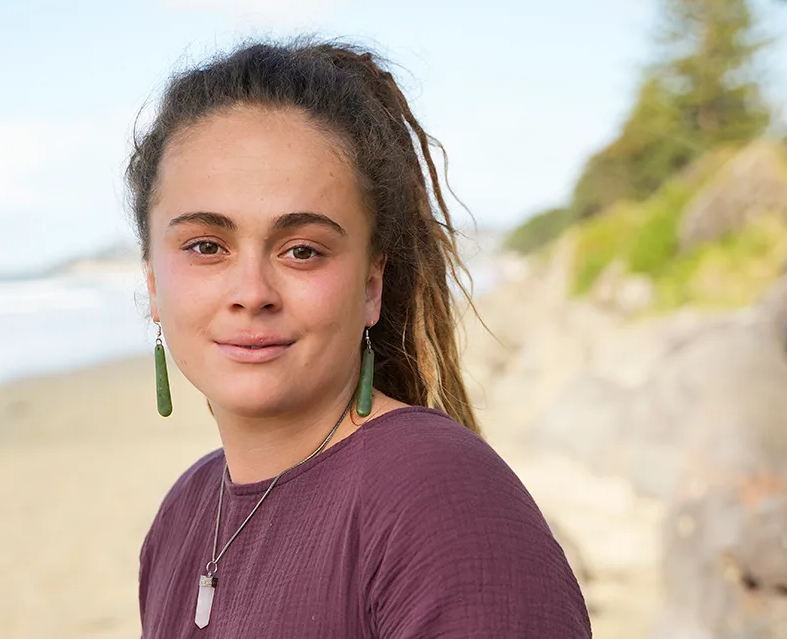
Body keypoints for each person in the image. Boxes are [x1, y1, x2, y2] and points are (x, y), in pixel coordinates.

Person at [127, 39, 591, 638]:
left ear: (371, 284)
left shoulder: (437, 495)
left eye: (301, 251)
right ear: (154, 286)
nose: (252, 291)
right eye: (206, 247)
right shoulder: (183, 517)